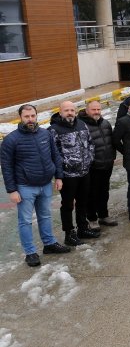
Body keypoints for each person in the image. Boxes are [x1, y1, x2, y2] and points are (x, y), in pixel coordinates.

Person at [1, 104, 71, 266]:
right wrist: (12, 190)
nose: (30, 119)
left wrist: (58, 177)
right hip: (25, 186)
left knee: (45, 215)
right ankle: (30, 252)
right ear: (21, 117)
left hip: (46, 184)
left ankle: (49, 244)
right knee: (25, 220)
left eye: (33, 116)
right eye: (27, 117)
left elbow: (56, 156)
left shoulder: (45, 134)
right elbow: (6, 167)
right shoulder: (11, 140)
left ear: (36, 116)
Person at [49, 101, 98, 246]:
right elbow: (53, 153)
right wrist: (61, 171)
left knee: (83, 202)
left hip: (84, 172)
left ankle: (83, 228)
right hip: (68, 175)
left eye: (72, 110)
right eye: (66, 110)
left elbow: (90, 143)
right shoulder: (53, 130)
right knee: (68, 205)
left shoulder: (82, 125)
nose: (70, 113)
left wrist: (89, 159)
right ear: (60, 112)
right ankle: (69, 234)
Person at [78, 100, 118, 229]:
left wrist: (112, 157)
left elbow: (110, 142)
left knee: (104, 191)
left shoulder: (105, 123)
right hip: (92, 167)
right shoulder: (81, 125)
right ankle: (92, 218)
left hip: (106, 164)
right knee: (91, 193)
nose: (96, 112)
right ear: (87, 110)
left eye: (98, 110)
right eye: (93, 110)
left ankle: (103, 215)